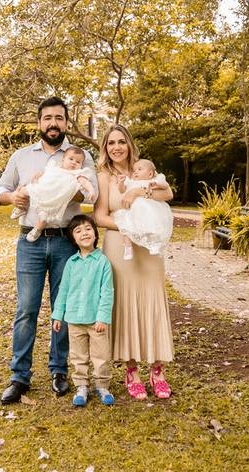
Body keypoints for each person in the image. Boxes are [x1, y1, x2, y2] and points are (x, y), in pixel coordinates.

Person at [0, 96, 98, 405]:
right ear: (40, 123)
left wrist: (71, 185)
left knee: (62, 308)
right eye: (48, 118)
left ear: (67, 123)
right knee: (26, 309)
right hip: (31, 241)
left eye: (59, 118)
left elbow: (92, 195)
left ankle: (59, 370)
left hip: (67, 241)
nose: (53, 123)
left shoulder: (81, 157)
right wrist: (13, 198)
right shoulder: (22, 156)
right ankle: (19, 376)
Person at [92, 124, 174, 400]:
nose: (116, 147)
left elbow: (168, 194)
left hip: (148, 248)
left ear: (129, 144)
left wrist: (138, 192)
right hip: (120, 244)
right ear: (105, 148)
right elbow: (100, 217)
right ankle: (132, 371)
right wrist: (128, 227)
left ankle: (158, 370)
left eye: (121, 142)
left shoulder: (144, 170)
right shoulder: (103, 176)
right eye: (111, 143)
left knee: (152, 301)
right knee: (125, 305)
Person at [51, 214, 115, 407]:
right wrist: (58, 315)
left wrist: (103, 318)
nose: (84, 233)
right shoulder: (71, 263)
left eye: (88, 229)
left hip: (96, 321)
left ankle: (102, 385)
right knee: (78, 356)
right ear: (73, 239)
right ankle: (81, 386)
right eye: (78, 231)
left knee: (100, 355)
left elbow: (107, 293)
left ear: (95, 234)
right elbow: (63, 290)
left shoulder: (103, 262)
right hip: (74, 319)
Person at [10, 146, 96, 242]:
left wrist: (91, 190)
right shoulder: (55, 167)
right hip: (42, 189)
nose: (73, 163)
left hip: (55, 198)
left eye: (78, 162)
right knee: (24, 190)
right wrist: (39, 175)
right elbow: (46, 173)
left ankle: (37, 230)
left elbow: (85, 182)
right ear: (63, 159)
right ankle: (22, 208)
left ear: (81, 165)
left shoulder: (77, 174)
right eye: (71, 159)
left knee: (45, 216)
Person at [112, 158, 174, 260]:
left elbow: (166, 186)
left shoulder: (153, 180)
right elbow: (122, 190)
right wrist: (120, 183)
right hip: (134, 211)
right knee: (126, 227)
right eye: (134, 170)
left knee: (153, 227)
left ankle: (154, 246)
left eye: (139, 169)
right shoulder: (131, 181)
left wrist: (158, 184)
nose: (136, 172)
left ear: (150, 174)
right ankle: (128, 248)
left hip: (150, 210)